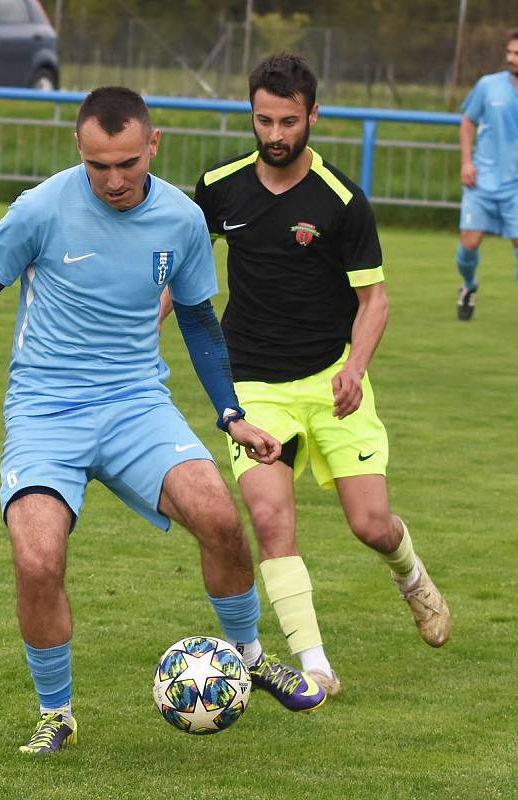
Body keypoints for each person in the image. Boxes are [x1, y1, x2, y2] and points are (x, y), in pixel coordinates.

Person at [0, 86, 326, 755]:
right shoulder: (39, 208)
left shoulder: (181, 219)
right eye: (99, 165)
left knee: (217, 513)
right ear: (79, 149)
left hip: (135, 406)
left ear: (153, 145)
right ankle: (57, 714)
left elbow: (198, 320)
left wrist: (230, 413)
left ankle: (247, 654)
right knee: (37, 560)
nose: (115, 179)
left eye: (127, 162)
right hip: (47, 411)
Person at [163, 53, 451, 697]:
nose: (274, 134)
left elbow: (374, 300)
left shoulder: (342, 199)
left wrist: (355, 367)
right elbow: (181, 269)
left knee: (371, 524)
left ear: (313, 115)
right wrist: (144, 331)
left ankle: (411, 577)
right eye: (264, 120)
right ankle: (314, 665)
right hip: (254, 386)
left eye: (288, 121)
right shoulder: (221, 185)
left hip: (330, 380)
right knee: (270, 521)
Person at [455, 29, 518, 321]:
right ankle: (468, 286)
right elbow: (468, 122)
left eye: (516, 54)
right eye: (510, 52)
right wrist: (467, 162)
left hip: (515, 186)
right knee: (469, 244)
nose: (511, 58)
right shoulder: (488, 86)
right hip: (482, 180)